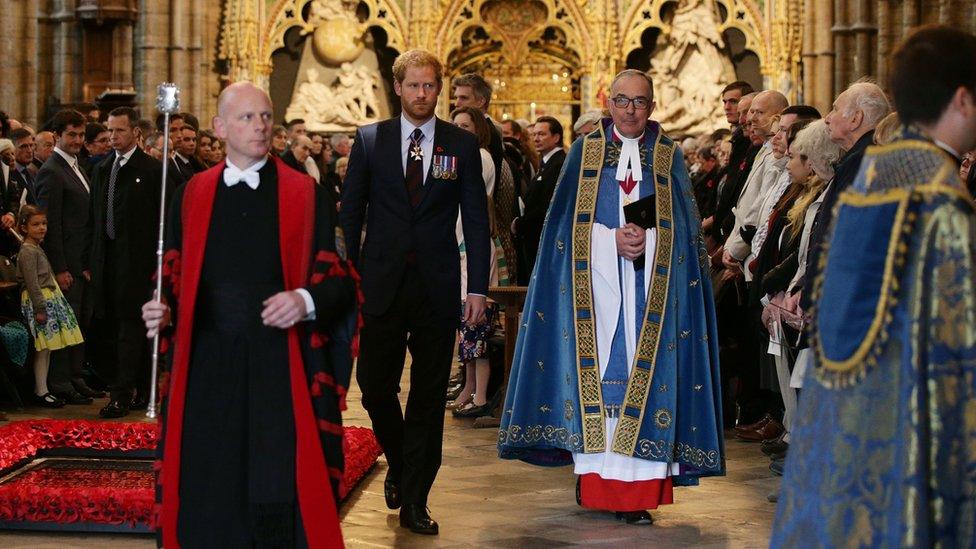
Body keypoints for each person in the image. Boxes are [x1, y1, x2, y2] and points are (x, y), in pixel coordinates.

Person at [773, 25, 976, 546]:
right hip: (907, 429)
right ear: (962, 98)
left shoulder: (872, 174)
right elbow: (958, 348)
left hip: (846, 412)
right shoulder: (939, 197)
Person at [499, 69, 724, 525]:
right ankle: (595, 481)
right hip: (595, 297)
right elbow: (559, 231)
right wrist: (608, 242)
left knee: (647, 384)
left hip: (651, 298)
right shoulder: (584, 153)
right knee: (597, 386)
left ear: (652, 106)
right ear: (610, 104)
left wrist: (653, 243)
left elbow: (689, 239)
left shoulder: (669, 158)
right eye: (622, 101)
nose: (631, 110)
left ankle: (635, 496)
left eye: (640, 102)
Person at [142, 81, 355, 547]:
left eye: (265, 116)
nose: (260, 126)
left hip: (278, 364)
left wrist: (305, 300)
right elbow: (174, 276)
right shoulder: (192, 194)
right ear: (219, 128)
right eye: (246, 117)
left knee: (274, 476)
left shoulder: (306, 194)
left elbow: (341, 281)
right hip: (207, 365)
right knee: (209, 475)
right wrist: (163, 308)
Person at [340, 49, 490, 536]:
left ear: (438, 90)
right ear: (398, 87)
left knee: (428, 395)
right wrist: (350, 275)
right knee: (378, 386)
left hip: (437, 285)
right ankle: (403, 464)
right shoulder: (370, 141)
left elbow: (477, 219)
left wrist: (479, 290)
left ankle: (417, 499)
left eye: (431, 87)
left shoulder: (459, 146)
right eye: (414, 86)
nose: (423, 95)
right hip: (382, 284)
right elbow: (351, 213)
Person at [90, 106, 169, 418]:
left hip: (138, 264)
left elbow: (163, 221)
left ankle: (125, 394)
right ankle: (132, 389)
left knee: (132, 330)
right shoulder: (101, 168)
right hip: (106, 260)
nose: (112, 137)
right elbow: (96, 218)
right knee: (113, 328)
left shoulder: (151, 171)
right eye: (109, 130)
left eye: (119, 130)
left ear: (135, 132)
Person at [35, 109, 97, 405]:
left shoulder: (77, 166)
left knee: (79, 324)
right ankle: (60, 382)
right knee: (64, 325)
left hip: (81, 263)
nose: (77, 140)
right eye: (71, 134)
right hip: (65, 265)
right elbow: (51, 225)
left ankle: (75, 377)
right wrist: (59, 268)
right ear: (57, 135)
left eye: (81, 135)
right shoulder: (51, 170)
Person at [448, 106, 502, 419]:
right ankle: (469, 387)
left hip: (472, 250)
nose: (459, 130)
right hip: (459, 247)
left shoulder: (478, 156)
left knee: (476, 332)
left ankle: (479, 394)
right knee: (465, 332)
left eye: (465, 125)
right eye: (455, 125)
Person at [17, 205, 85, 409]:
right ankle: (41, 390)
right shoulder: (28, 251)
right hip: (40, 300)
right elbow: (32, 282)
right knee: (43, 348)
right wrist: (40, 308)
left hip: (48, 298)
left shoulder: (36, 248)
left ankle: (43, 389)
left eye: (44, 223)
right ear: (24, 227)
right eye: (35, 224)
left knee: (46, 349)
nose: (41, 228)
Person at [511, 115, 565, 277]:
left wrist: (520, 223)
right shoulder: (547, 163)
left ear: (556, 137)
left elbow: (547, 205)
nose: (536, 139)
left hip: (545, 238)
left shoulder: (558, 164)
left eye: (542, 134)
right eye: (534, 134)